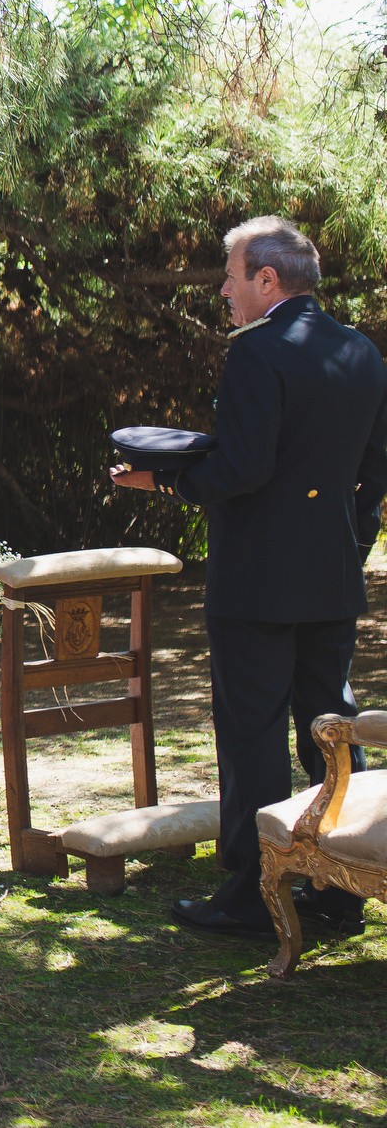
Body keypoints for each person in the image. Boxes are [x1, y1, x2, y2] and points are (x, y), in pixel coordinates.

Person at [113, 216, 387, 936]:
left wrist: (163, 483)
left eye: (231, 275)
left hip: (258, 582)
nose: (225, 290)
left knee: (252, 734)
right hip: (329, 576)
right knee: (332, 726)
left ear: (268, 279)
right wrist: (348, 545)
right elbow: (373, 472)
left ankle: (252, 888)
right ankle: (343, 880)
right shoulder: (361, 350)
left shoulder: (258, 353)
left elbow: (241, 467)